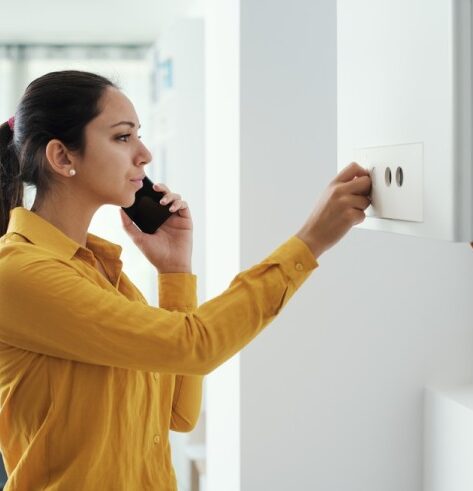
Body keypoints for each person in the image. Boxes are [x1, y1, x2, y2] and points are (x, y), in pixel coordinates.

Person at [0, 70, 371, 490]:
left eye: (138, 135)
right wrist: (310, 241)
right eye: (123, 137)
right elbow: (194, 347)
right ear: (63, 157)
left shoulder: (101, 271)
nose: (143, 154)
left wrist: (175, 272)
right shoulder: (17, 273)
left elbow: (179, 413)